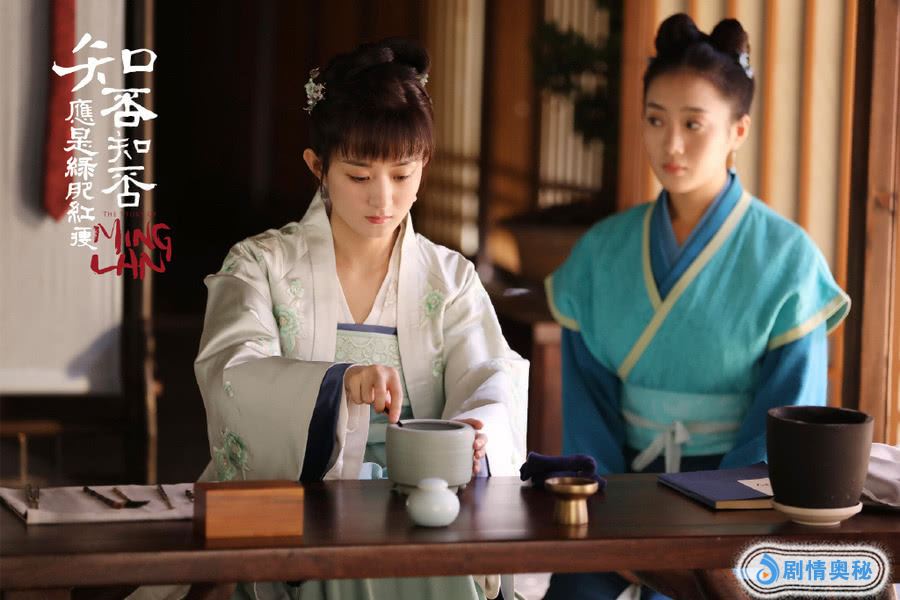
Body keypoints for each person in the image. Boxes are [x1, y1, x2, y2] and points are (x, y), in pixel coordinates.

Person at [135, 38, 527, 600]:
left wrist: (475, 429)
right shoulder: (260, 265)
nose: (383, 200)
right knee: (347, 546)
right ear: (317, 166)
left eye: (402, 174)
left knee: (433, 545)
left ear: (424, 164)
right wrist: (338, 384)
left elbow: (489, 374)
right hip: (301, 502)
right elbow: (232, 370)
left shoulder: (451, 279)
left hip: (423, 501)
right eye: (359, 176)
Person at [543, 14, 849, 600]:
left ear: (738, 130)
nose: (671, 144)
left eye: (693, 123)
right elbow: (587, 417)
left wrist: (708, 525)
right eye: (655, 119)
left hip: (739, 515)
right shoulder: (600, 253)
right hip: (617, 503)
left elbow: (788, 423)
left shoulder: (788, 259)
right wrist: (616, 520)